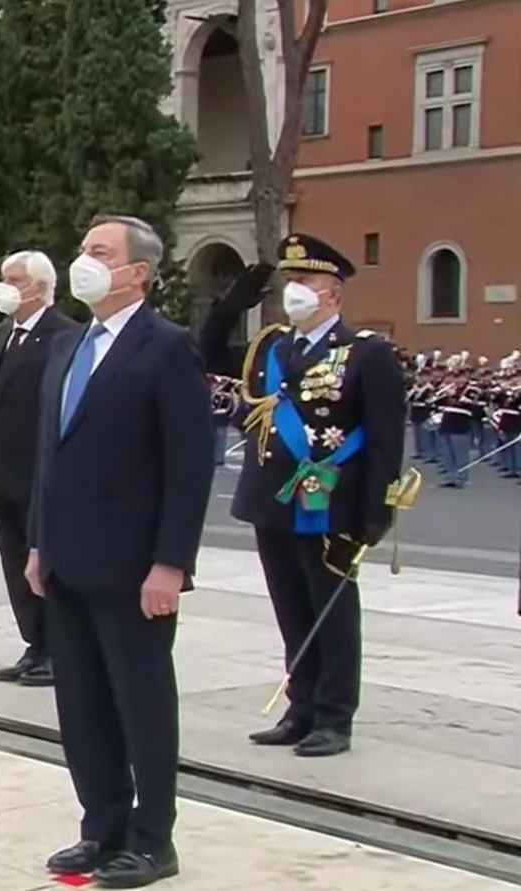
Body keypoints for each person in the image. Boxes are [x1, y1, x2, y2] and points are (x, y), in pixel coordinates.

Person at [27, 216, 214, 887]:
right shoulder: (71, 345)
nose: (85, 261)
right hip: (67, 559)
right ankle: (100, 825)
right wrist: (37, 542)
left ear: (138, 272)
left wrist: (171, 561)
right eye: (82, 250)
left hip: (134, 567)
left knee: (140, 704)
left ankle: (151, 836)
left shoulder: (166, 348)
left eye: (100, 252)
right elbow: (52, 453)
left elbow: (190, 464)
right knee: (81, 703)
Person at [199, 234, 406, 759]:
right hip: (272, 498)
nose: (295, 292)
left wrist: (376, 511)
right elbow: (205, 352)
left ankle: (335, 716)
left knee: (330, 611)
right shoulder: (272, 347)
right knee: (291, 608)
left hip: (329, 502)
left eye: (306, 283)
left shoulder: (366, 354)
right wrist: (234, 301)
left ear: (332, 294)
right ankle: (301, 706)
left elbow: (385, 438)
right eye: (290, 282)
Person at [0, 249, 76, 686]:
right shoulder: (2, 334)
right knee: (15, 561)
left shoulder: (63, 335)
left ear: (39, 285)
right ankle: (34, 642)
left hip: (40, 470)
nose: (5, 287)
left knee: (45, 561)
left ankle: (59, 648)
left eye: (14, 279)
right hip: (3, 470)